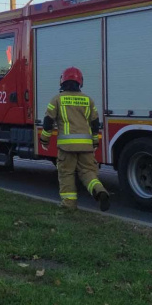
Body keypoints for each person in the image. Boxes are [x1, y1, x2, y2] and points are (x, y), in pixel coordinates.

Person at [40, 66, 111, 212]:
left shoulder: (57, 99)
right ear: (80, 82)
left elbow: (48, 122)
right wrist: (95, 141)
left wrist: (44, 140)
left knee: (66, 174)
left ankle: (69, 204)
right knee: (88, 173)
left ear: (62, 82)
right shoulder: (88, 100)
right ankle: (99, 190)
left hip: (67, 148)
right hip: (86, 147)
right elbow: (95, 124)